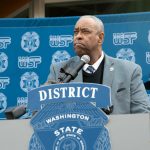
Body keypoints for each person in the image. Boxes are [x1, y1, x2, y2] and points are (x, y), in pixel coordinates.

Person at [46, 15, 150, 114]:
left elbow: (142, 114)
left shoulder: (129, 71)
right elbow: (41, 111)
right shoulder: (59, 70)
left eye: (85, 32)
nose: (78, 36)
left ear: (100, 38)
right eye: (75, 32)